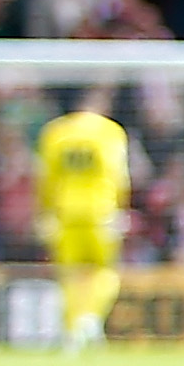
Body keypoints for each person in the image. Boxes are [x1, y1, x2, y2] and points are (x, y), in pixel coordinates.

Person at [34, 97, 131, 352]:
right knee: (103, 270)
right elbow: (119, 176)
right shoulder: (110, 131)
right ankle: (90, 317)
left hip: (65, 211)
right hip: (100, 211)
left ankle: (72, 328)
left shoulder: (55, 132)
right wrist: (121, 208)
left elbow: (46, 177)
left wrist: (46, 211)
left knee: (70, 273)